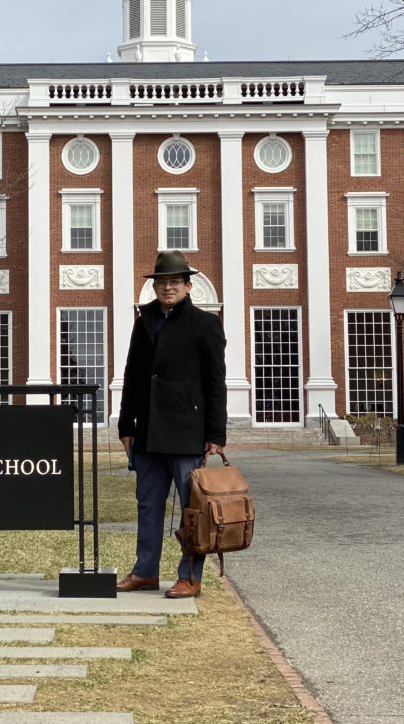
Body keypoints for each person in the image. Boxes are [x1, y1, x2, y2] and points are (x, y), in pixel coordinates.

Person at [116, 250, 227, 598]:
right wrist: (125, 424)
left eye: (175, 282)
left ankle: (190, 577)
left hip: (186, 433)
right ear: (155, 286)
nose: (168, 288)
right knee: (148, 505)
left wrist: (216, 433)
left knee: (193, 512)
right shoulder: (143, 320)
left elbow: (214, 381)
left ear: (188, 286)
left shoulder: (205, 325)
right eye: (162, 282)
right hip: (147, 431)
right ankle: (145, 571)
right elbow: (133, 374)